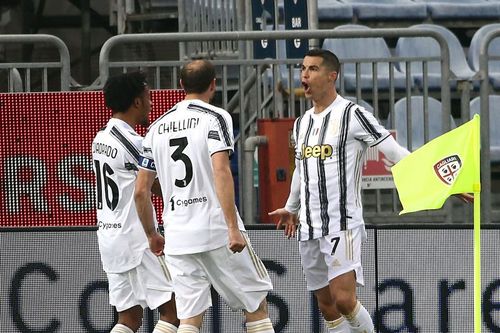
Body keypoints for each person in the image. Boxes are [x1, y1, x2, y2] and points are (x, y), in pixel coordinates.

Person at [269, 49, 412, 333]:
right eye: (303, 69)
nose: (304, 75)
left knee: (345, 300)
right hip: (309, 227)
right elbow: (301, 168)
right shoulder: (302, 123)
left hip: (341, 223)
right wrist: (291, 207)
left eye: (312, 69)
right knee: (327, 306)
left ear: (331, 75)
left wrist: (436, 179)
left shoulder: (353, 115)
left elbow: (394, 152)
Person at [134, 59, 275, 333]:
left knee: (189, 317)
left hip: (177, 235)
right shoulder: (215, 117)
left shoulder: (156, 128)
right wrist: (233, 228)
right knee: (255, 304)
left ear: (180, 85)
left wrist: (152, 234)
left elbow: (141, 190)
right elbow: (221, 170)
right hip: (215, 229)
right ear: (214, 85)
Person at [92, 71, 179, 333]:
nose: (151, 103)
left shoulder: (101, 138)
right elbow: (154, 186)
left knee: (129, 318)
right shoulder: (133, 143)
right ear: (137, 102)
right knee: (176, 311)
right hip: (137, 239)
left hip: (109, 238)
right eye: (148, 97)